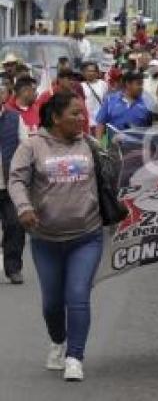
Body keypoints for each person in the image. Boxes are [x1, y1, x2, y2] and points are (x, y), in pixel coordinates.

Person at [8, 92, 103, 381]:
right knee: (51, 303)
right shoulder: (32, 146)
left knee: (77, 296)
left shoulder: (89, 143)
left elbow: (113, 172)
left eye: (82, 113)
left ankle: (75, 356)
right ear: (55, 117)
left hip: (86, 236)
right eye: (75, 113)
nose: (82, 118)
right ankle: (58, 342)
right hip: (45, 239)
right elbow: (16, 179)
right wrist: (24, 208)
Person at [0, 82, 28, 284]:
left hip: (10, 184)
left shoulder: (15, 119)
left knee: (15, 226)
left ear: (6, 96)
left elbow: (26, 148)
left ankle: (13, 268)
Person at [95, 71, 152, 141]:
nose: (141, 87)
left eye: (142, 84)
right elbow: (101, 124)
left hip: (138, 149)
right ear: (128, 84)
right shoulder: (110, 100)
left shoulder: (147, 102)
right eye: (139, 84)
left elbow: (152, 128)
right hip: (114, 149)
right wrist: (98, 144)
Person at [80, 62, 107, 135]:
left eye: (93, 71)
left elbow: (106, 102)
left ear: (97, 73)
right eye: (88, 71)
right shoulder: (81, 86)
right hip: (86, 122)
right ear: (84, 73)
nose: (90, 73)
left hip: (100, 122)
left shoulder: (102, 84)